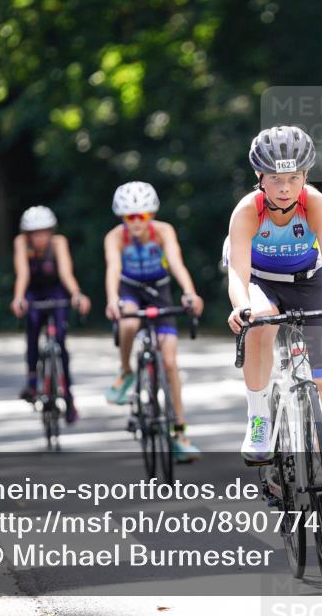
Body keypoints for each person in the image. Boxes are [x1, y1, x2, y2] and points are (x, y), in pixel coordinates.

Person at [225, 125, 322, 550]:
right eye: (275, 178)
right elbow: (237, 272)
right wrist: (241, 306)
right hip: (261, 285)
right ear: (260, 178)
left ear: (306, 176)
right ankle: (259, 419)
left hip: (310, 284)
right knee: (262, 320)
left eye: (293, 178)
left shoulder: (318, 206)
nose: (285, 187)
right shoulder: (248, 211)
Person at [104, 181, 204, 463]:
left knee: (170, 362)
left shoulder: (163, 231)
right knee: (127, 324)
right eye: (129, 217)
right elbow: (113, 268)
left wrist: (189, 292)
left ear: (151, 215)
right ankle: (126, 371)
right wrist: (112, 299)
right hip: (130, 289)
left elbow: (176, 263)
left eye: (142, 216)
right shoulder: (115, 237)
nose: (136, 222)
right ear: (122, 218)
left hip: (159, 291)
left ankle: (180, 432)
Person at [10, 206, 91, 424]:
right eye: (35, 233)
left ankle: (69, 397)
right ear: (27, 234)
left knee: (61, 342)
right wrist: (19, 298)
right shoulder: (21, 244)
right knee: (33, 329)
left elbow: (66, 273)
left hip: (56, 292)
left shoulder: (58, 243)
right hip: (33, 293)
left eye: (45, 232)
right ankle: (32, 379)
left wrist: (76, 294)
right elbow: (23, 274)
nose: (40, 238)